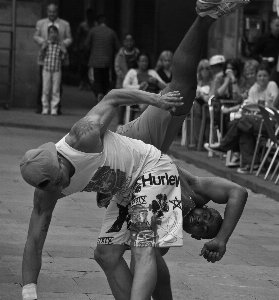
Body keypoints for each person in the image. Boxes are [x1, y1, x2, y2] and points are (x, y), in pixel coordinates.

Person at [20, 1, 250, 299]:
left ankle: (204, 17)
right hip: (134, 164)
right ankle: (204, 17)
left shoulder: (84, 137)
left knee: (147, 252)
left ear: (191, 236)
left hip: (145, 167)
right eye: (208, 220)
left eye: (203, 229)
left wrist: (219, 238)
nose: (201, 221)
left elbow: (113, 97)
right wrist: (28, 290)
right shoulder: (195, 190)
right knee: (115, 254)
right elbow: (34, 239)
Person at [205, 62, 279, 174]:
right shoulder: (254, 88)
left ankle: (223, 145)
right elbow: (247, 106)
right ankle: (252, 165)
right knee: (244, 128)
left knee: (242, 121)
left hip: (270, 123)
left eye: (265, 76)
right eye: (259, 76)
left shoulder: (272, 85)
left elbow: (271, 107)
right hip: (256, 121)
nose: (262, 78)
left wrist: (258, 108)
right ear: (256, 77)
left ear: (269, 77)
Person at [33, 3, 73, 115]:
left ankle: (56, 107)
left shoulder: (65, 24)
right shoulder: (41, 23)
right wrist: (43, 42)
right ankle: (41, 107)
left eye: (54, 11)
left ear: (57, 12)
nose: (52, 14)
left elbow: (70, 38)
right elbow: (35, 36)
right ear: (47, 12)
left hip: (58, 60)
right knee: (43, 85)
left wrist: (62, 44)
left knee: (58, 86)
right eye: (50, 11)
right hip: (45, 59)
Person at [85, 14, 120, 102]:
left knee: (94, 81)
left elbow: (86, 45)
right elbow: (118, 48)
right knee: (105, 81)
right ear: (106, 22)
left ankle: (98, 94)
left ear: (97, 22)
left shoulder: (93, 31)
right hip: (107, 62)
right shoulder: (112, 32)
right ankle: (103, 97)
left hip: (94, 62)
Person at [123, 51, 167, 118]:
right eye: (142, 61)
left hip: (152, 98)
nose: (145, 63)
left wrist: (156, 81)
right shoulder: (132, 72)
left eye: (146, 61)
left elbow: (165, 87)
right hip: (138, 98)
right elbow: (125, 86)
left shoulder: (152, 73)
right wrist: (139, 86)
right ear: (138, 62)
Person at [39, 26, 67, 115]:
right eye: (51, 32)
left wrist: (64, 52)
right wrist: (43, 48)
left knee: (56, 90)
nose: (53, 34)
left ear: (57, 34)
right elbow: (41, 56)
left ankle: (54, 108)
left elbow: (64, 58)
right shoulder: (46, 44)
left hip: (57, 69)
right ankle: (45, 108)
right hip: (46, 69)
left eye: (55, 32)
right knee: (46, 89)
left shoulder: (60, 44)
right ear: (48, 34)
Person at [114, 33, 140, 125]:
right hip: (121, 83)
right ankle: (120, 123)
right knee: (121, 104)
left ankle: (130, 123)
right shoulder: (120, 54)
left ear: (134, 42)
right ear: (124, 42)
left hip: (133, 83)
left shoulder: (137, 53)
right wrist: (126, 78)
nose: (129, 43)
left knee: (132, 103)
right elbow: (117, 68)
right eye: (127, 41)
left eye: (131, 41)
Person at [251, 16, 279, 86]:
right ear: (271, 25)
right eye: (277, 25)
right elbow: (254, 54)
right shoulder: (264, 38)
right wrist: (262, 61)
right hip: (268, 68)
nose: (278, 28)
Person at [193, 59, 213, 146]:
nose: (204, 71)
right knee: (196, 108)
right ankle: (197, 140)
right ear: (199, 70)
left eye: (207, 68)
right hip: (196, 103)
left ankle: (204, 139)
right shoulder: (196, 81)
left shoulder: (213, 82)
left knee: (206, 110)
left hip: (209, 104)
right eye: (202, 68)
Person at [75, 8, 96, 91]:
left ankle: (89, 82)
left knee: (90, 66)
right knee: (83, 66)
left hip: (92, 48)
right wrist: (76, 47)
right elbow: (78, 36)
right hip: (83, 48)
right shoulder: (82, 25)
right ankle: (83, 82)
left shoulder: (95, 25)